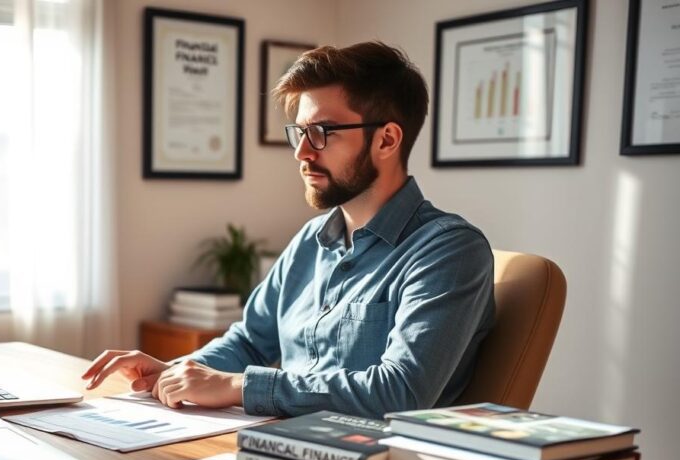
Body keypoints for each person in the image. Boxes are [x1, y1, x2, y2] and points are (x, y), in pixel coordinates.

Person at [82, 41, 495, 419]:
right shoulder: (311, 241)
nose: (301, 152)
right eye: (299, 132)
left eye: (320, 133)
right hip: (280, 448)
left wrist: (238, 386)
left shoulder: (449, 250)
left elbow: (400, 391)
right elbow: (249, 341)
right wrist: (174, 374)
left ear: (386, 140)